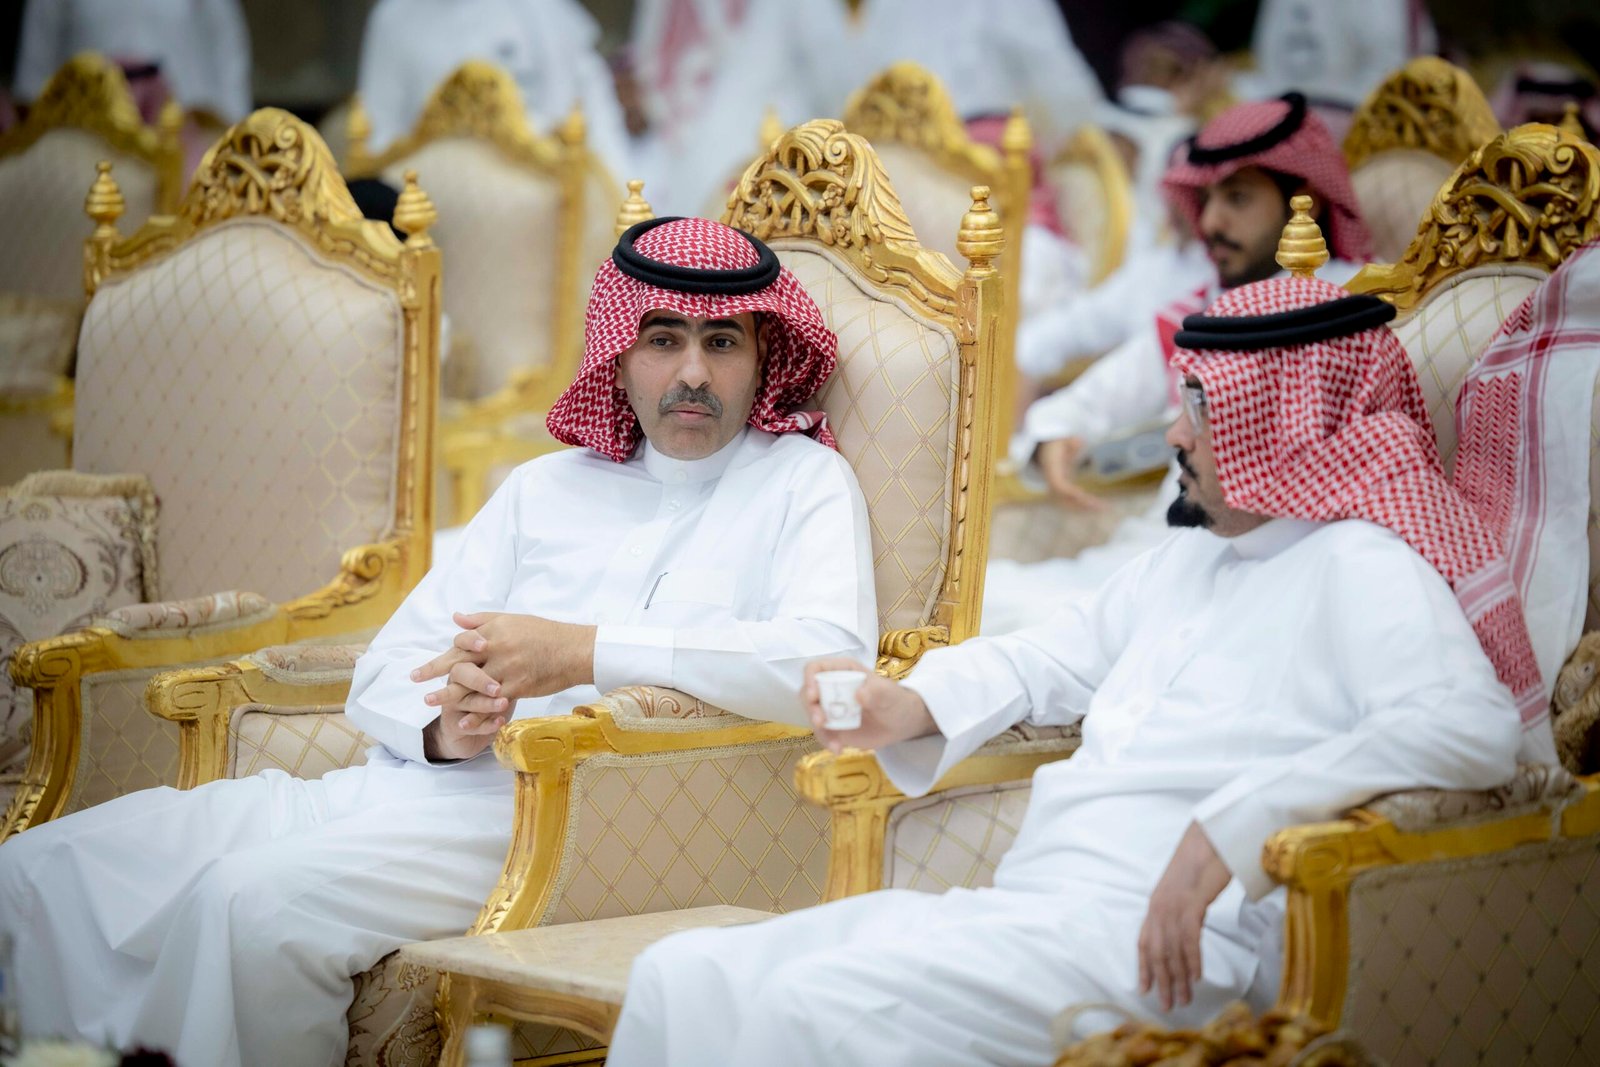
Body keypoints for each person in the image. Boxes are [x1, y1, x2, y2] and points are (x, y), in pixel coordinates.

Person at [605, 245, 1552, 1067]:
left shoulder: (1366, 565)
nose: (1174, 435)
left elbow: (1468, 728)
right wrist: (908, 704)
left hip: (1169, 946)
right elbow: (1047, 656)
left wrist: (1229, 833)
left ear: (1289, 424)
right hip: (1033, 910)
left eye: (1201, 409)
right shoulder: (1191, 559)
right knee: (684, 976)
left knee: (810, 1011)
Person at [0, 217, 878, 1067]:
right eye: (663, 339)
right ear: (619, 353)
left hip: (560, 823)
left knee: (252, 907)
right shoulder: (547, 488)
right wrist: (443, 727)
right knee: (43, 869)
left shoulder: (801, 483)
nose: (692, 371)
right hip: (396, 788)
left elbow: (833, 666)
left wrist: (584, 651)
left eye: (721, 342)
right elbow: (390, 663)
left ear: (763, 355)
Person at [986, 93, 1374, 633]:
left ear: (1302, 199)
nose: (1210, 221)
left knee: (1008, 621)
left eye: (1237, 198)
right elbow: (1095, 398)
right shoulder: (1204, 308)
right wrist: (1058, 433)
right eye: (1207, 198)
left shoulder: (1356, 309)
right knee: (983, 597)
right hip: (1154, 556)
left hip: (1260, 580)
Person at [355, 0, 633, 182]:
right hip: (430, 209)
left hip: (549, 213)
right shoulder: (396, 18)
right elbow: (377, 141)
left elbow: (603, 141)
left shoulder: (552, 15)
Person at [14, 0, 252, 121]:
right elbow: (35, 68)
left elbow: (229, 55)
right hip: (85, 132)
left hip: (184, 130)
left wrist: (232, 135)